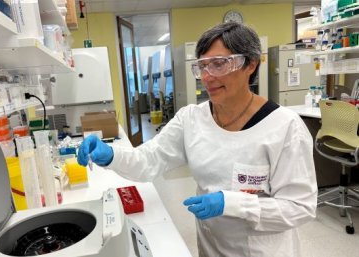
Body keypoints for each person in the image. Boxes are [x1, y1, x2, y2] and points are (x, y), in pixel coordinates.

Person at [78, 22, 317, 257]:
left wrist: (232, 204)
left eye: (219, 64)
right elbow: (148, 160)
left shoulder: (285, 127)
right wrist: (111, 155)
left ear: (250, 64)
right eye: (202, 66)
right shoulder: (191, 119)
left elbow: (299, 207)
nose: (207, 76)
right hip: (211, 247)